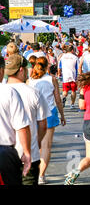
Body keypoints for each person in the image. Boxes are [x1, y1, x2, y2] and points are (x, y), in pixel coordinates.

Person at [5, 55, 50, 185]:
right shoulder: (33, 92)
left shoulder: (2, 91)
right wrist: (37, 141)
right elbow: (43, 124)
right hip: (30, 152)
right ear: (21, 70)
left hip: (5, 154)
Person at [27, 56, 65, 185]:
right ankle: (41, 175)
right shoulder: (52, 79)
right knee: (46, 146)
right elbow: (58, 99)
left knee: (35, 146)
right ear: (47, 66)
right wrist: (62, 115)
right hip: (49, 113)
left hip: (33, 114)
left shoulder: (30, 81)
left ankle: (33, 172)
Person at [0, 56, 32, 185]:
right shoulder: (8, 92)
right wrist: (26, 152)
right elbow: (22, 126)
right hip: (4, 153)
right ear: (1, 71)